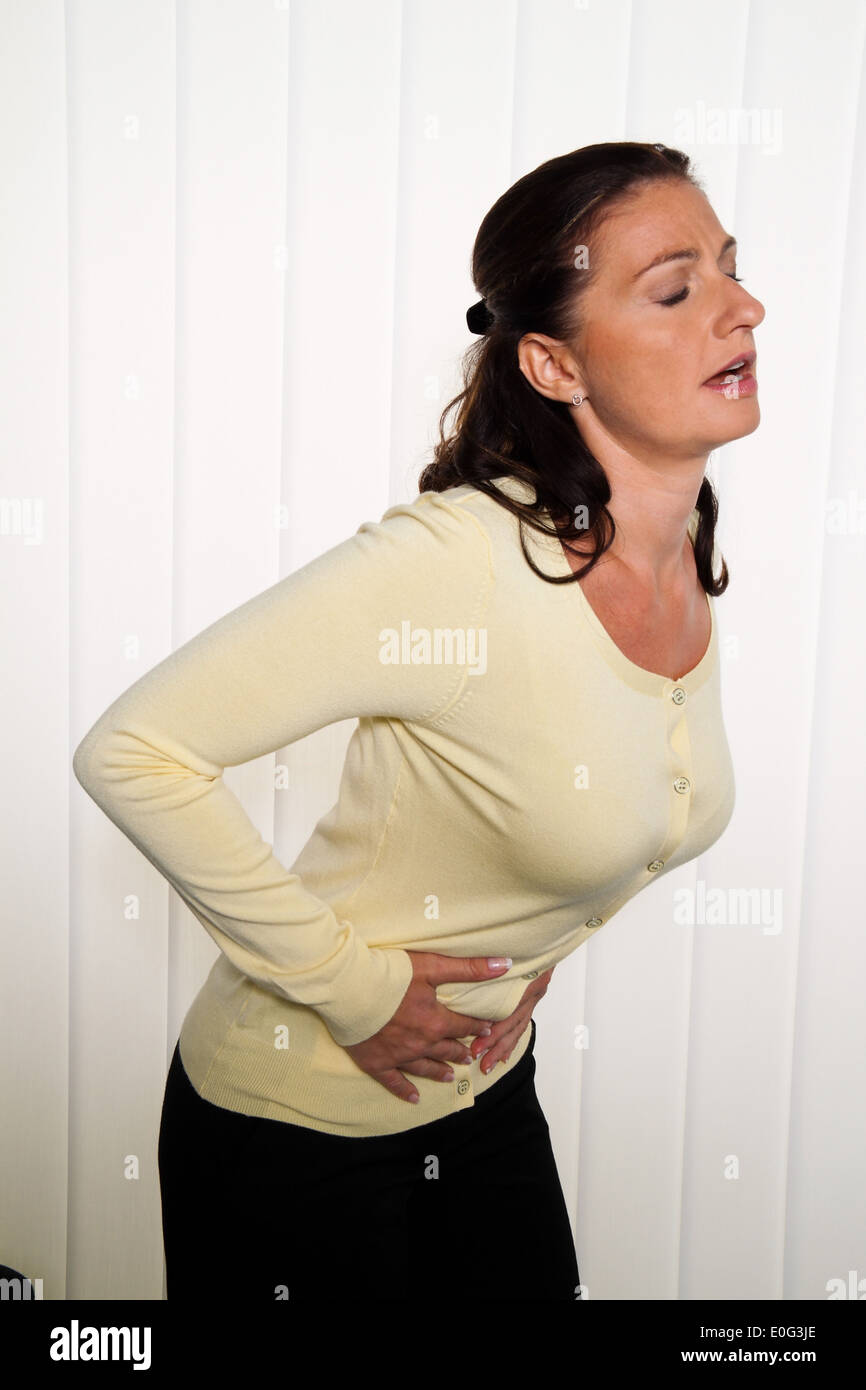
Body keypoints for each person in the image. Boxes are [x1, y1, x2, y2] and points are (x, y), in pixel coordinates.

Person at [72, 140, 763, 1303]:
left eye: (731, 269)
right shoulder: (453, 568)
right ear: (551, 363)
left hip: (482, 1097)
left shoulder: (677, 550)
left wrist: (526, 959)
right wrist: (356, 989)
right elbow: (134, 750)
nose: (742, 307)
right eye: (674, 286)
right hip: (294, 1132)